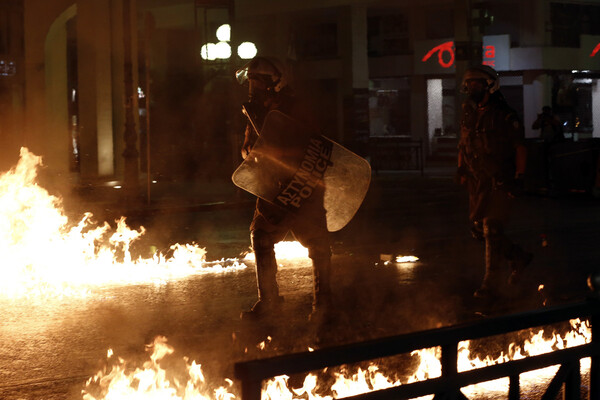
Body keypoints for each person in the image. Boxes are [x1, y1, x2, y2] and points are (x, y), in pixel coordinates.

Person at [235, 56, 332, 320]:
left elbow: (314, 143)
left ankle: (323, 307)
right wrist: (251, 151)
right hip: (272, 187)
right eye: (251, 80)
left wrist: (279, 150)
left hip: (303, 185)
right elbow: (247, 148)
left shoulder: (297, 109)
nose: (253, 86)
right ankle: (269, 304)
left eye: (258, 81)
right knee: (262, 237)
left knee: (317, 245)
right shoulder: (254, 111)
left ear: (274, 83)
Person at [456, 64, 533, 299]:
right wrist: (460, 167)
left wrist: (519, 177)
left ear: (490, 85)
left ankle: (490, 283)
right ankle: (518, 256)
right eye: (469, 83)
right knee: (479, 229)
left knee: (491, 228)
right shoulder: (469, 113)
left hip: (500, 180)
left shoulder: (504, 115)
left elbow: (520, 147)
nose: (472, 87)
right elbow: (463, 144)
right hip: (478, 182)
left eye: (477, 83)